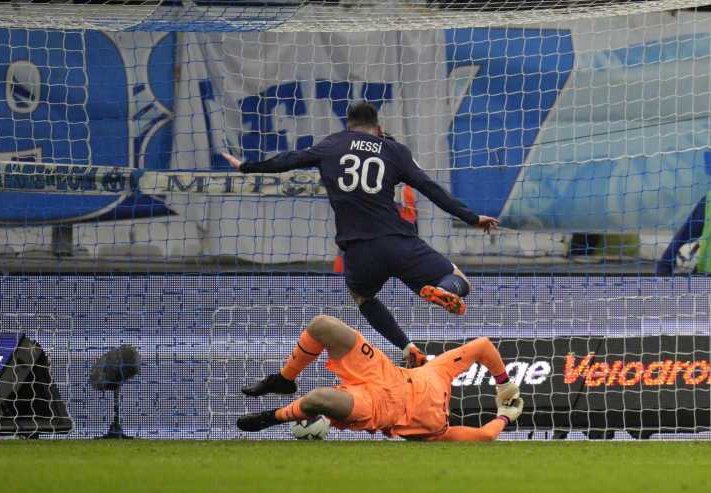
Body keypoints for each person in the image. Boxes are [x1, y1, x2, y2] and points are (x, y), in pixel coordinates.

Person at [222, 102, 499, 367]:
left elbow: (288, 160)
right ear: (378, 127)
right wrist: (472, 218)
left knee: (363, 298)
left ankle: (407, 348)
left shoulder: (331, 144)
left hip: (358, 251)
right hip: (398, 241)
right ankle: (444, 290)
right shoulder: (393, 150)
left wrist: (246, 167)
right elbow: (430, 188)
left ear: (348, 125)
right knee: (459, 280)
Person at [237, 314, 523, 441]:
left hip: (379, 407)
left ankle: (272, 417)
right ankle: (284, 379)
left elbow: (485, 436)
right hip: (383, 371)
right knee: (323, 325)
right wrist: (504, 384)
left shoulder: (437, 432)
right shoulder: (438, 370)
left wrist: (505, 416)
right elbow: (483, 346)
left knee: (317, 399)